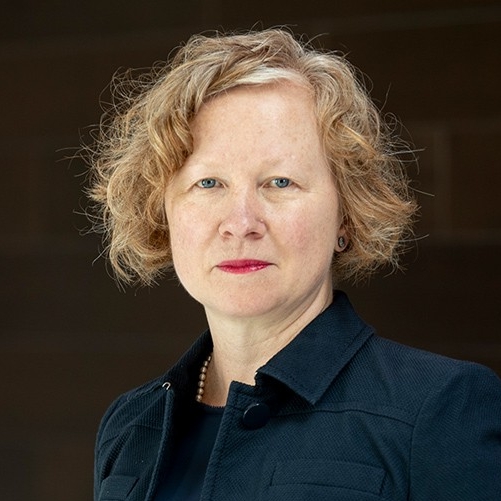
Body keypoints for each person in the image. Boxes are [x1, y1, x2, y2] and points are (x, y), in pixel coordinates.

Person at [85, 29, 501, 501]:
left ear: (347, 213)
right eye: (209, 183)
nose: (241, 224)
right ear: (162, 211)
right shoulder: (131, 425)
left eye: (280, 182)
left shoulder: (438, 409)